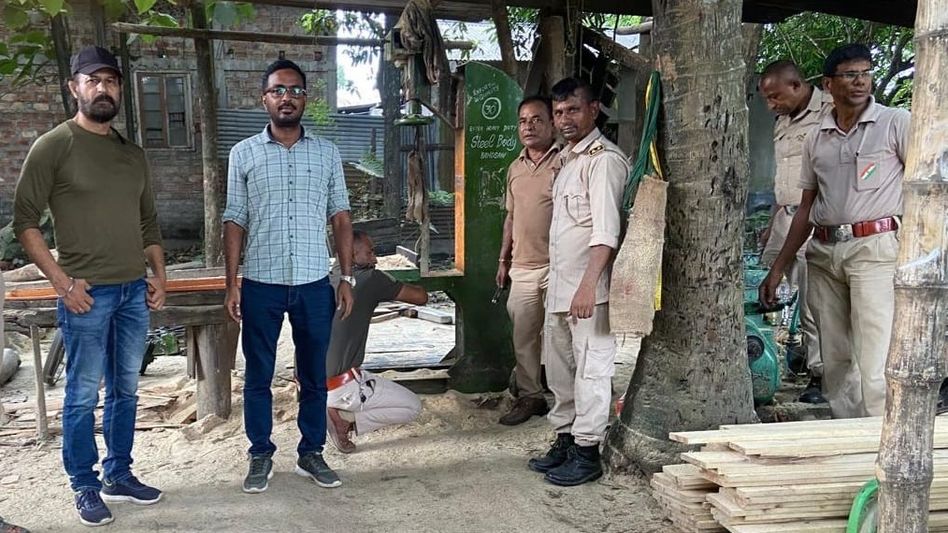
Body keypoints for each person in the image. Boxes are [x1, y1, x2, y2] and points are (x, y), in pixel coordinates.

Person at [12, 45, 167, 527]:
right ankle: (84, 484)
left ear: (120, 90)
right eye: (93, 80)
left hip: (133, 293)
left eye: (111, 81)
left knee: (126, 390)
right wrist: (62, 283)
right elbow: (24, 222)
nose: (103, 88)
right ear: (74, 87)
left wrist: (159, 276)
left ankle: (118, 473)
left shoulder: (132, 155)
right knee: (82, 396)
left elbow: (148, 223)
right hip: (85, 296)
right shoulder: (54, 146)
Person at [223, 58, 354, 494]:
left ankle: (311, 452)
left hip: (314, 282)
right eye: (278, 90)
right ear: (264, 98)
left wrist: (347, 277)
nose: (287, 97)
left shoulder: (327, 153)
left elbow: (340, 217)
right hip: (261, 282)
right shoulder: (243, 153)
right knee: (258, 374)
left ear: (305, 99)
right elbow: (234, 219)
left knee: (314, 374)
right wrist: (231, 283)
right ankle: (260, 453)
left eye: (295, 90)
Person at [760, 44, 910, 419]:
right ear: (829, 84)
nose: (859, 82)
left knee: (875, 352)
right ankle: (847, 429)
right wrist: (777, 267)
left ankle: (879, 435)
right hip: (824, 252)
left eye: (865, 73)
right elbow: (806, 206)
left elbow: (928, 187)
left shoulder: (896, 123)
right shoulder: (817, 137)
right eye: (849, 75)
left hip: (874, 249)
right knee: (835, 356)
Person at [527, 78, 629, 486]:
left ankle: (587, 453)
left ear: (593, 110)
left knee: (592, 372)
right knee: (560, 372)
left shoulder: (604, 161)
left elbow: (606, 232)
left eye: (573, 110)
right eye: (558, 112)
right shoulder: (568, 160)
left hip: (590, 291)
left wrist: (589, 286)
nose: (564, 119)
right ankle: (566, 440)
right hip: (561, 287)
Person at [757, 60, 833, 404]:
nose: (771, 104)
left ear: (796, 86)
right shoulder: (783, 121)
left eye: (775, 96)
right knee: (776, 294)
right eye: (767, 99)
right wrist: (773, 222)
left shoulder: (829, 112)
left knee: (814, 303)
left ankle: (821, 375)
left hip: (813, 219)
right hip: (785, 218)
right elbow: (784, 179)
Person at [324, 230, 427, 453]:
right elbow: (421, 297)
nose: (375, 259)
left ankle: (331, 407)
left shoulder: (324, 277)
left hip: (308, 383)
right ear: (351, 255)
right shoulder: (371, 278)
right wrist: (386, 280)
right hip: (339, 386)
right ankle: (343, 419)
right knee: (412, 406)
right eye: (370, 253)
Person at [495, 96, 561, 426]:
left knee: (563, 338)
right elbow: (511, 216)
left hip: (558, 266)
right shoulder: (515, 168)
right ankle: (531, 397)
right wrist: (503, 259)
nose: (529, 126)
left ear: (552, 124)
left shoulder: (565, 162)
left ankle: (570, 402)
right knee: (523, 338)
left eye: (536, 119)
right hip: (522, 267)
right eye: (523, 121)